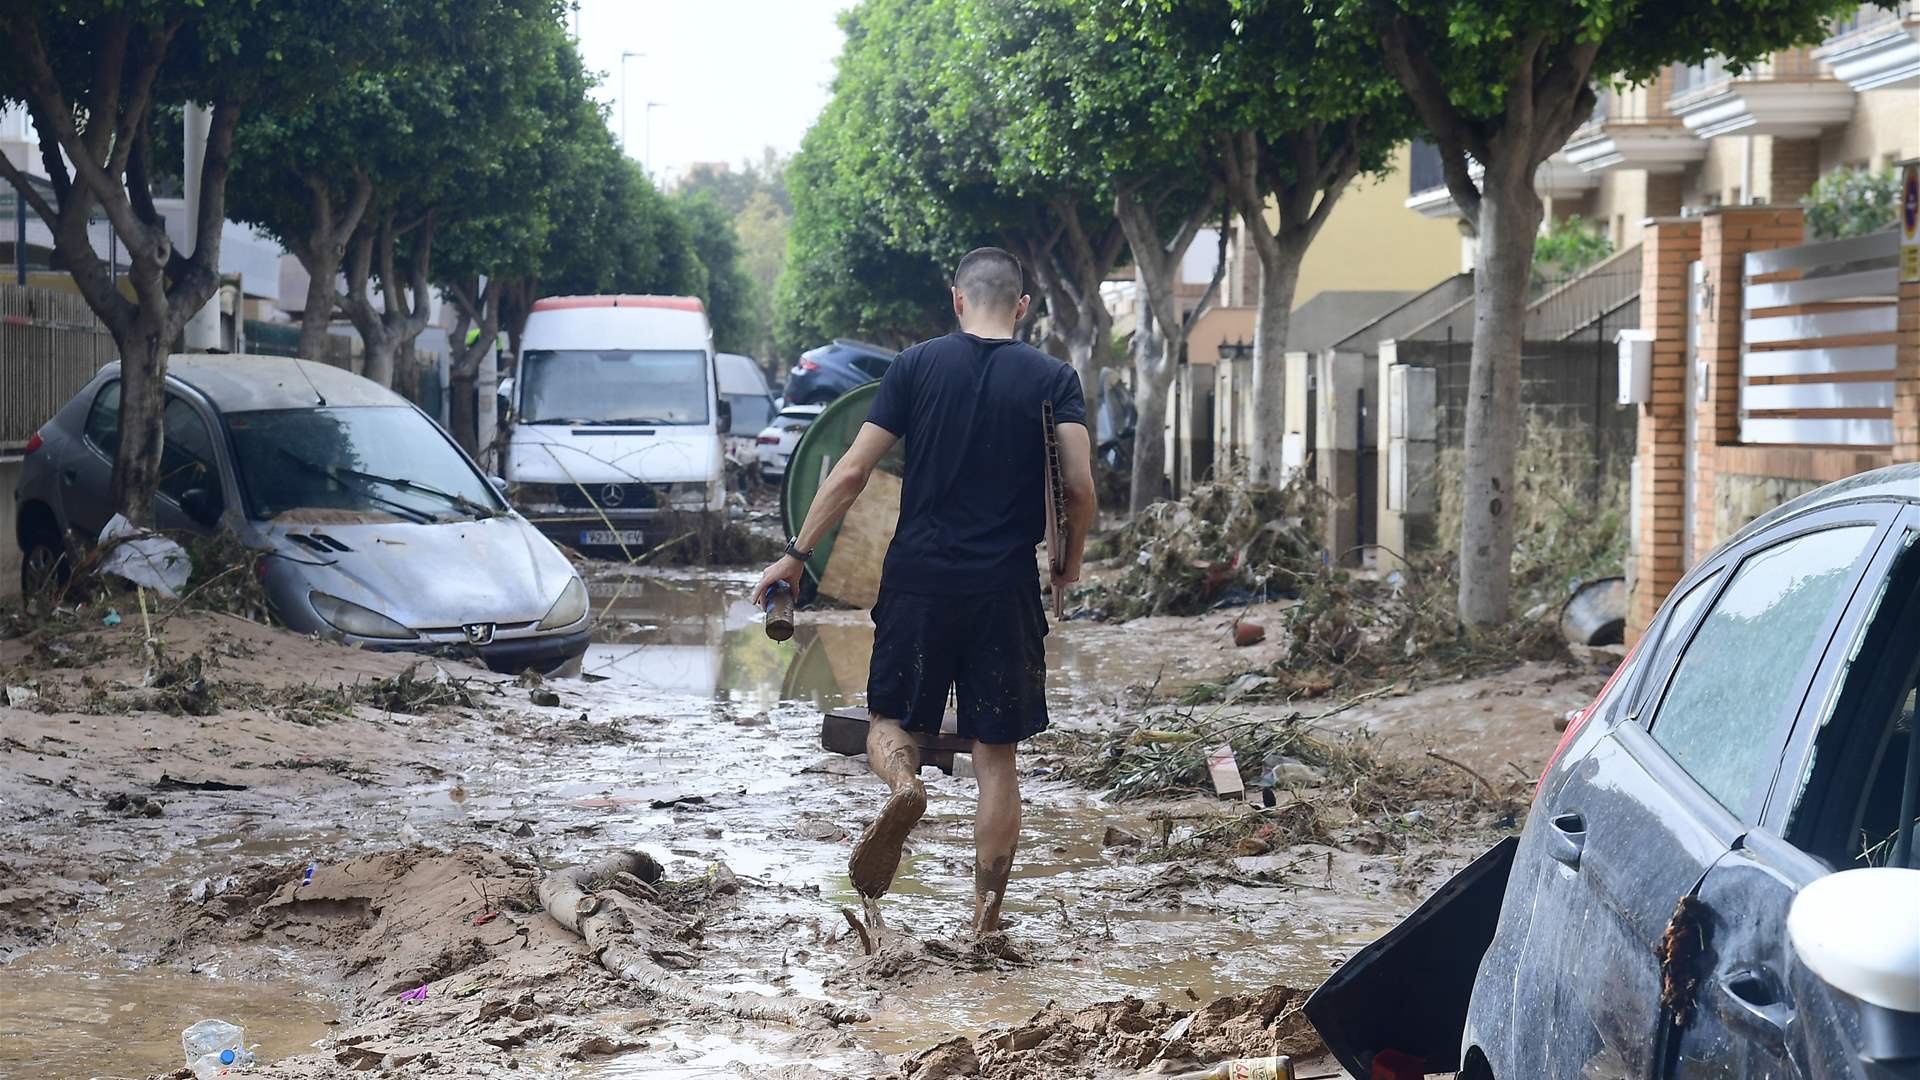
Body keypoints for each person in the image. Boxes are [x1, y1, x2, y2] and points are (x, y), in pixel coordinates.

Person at [752, 247, 1096, 934]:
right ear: (1023, 307)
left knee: (889, 722)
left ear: (957, 299)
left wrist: (795, 556)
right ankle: (985, 922)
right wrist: (1069, 563)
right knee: (996, 754)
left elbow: (851, 473)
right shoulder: (1053, 378)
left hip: (917, 581)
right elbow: (1081, 489)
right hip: (1003, 589)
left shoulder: (914, 366)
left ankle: (904, 786)